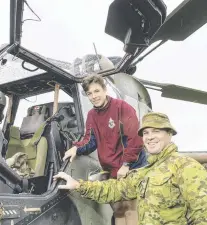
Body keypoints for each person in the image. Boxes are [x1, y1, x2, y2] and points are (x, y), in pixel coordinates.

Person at [54, 112, 207, 225]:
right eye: (146, 133)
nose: (150, 137)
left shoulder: (186, 166)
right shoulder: (146, 172)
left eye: (156, 131)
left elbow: (203, 214)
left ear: (169, 134)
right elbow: (115, 189)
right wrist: (78, 185)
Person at [63, 74, 146, 225]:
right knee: (118, 209)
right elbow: (90, 140)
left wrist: (126, 164)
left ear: (105, 89)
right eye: (90, 93)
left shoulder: (122, 107)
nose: (94, 96)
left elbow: (135, 138)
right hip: (112, 169)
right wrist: (76, 148)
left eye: (97, 91)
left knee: (131, 208)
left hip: (132, 167)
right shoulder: (92, 115)